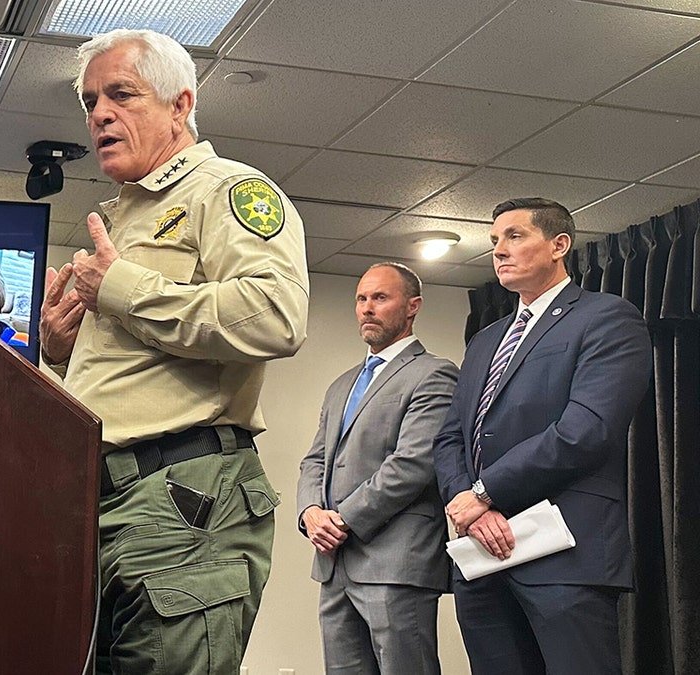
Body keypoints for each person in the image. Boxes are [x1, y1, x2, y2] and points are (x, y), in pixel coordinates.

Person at [39, 29, 309, 673]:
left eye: (122, 95)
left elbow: (277, 317)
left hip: (185, 501)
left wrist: (124, 289)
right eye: (90, 100)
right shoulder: (122, 215)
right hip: (102, 500)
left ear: (180, 105)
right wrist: (61, 351)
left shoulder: (227, 191)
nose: (99, 113)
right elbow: (138, 365)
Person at [433, 198, 652, 674]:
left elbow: (585, 430)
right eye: (494, 241)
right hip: (482, 558)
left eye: (514, 236)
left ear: (559, 246)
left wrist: (485, 492)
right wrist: (468, 507)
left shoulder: (607, 318)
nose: (499, 251)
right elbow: (451, 437)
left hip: (564, 556)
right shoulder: (486, 339)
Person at [297, 263, 457, 674]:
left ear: (412, 307)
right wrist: (310, 513)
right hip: (334, 564)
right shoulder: (342, 384)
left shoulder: (434, 374)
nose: (367, 308)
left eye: (380, 298)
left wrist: (343, 519)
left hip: (396, 562)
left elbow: (413, 464)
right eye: (362, 299)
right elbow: (316, 460)